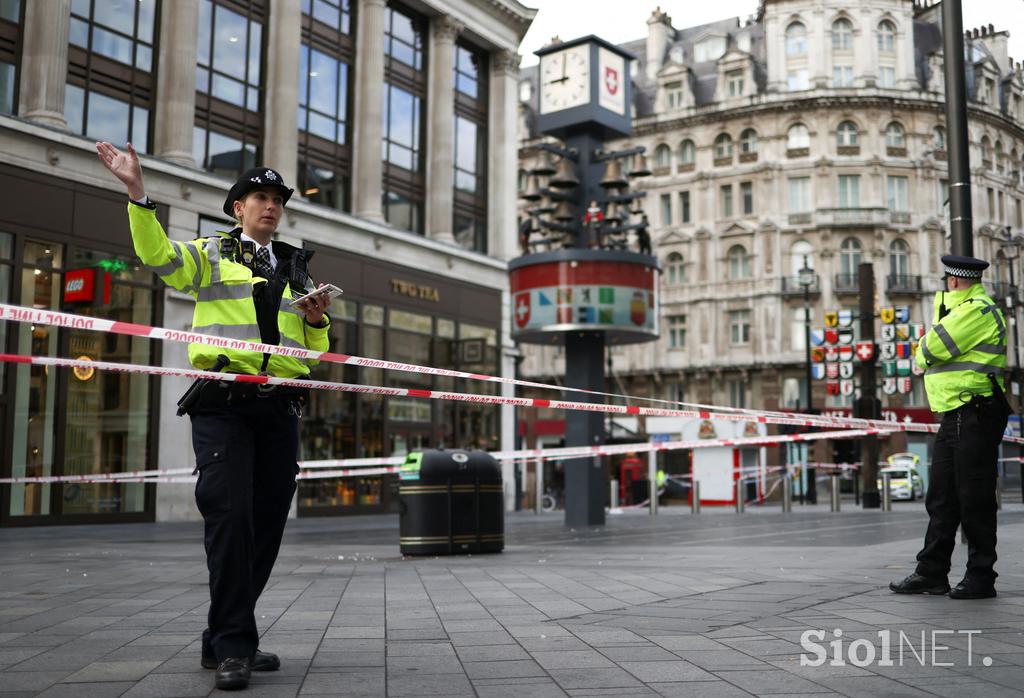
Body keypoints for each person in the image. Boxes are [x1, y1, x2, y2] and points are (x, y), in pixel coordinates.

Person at [96, 141, 333, 690]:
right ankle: (233, 646)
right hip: (223, 404)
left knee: (268, 526)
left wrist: (318, 321)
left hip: (279, 406)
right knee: (229, 520)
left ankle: (224, 636)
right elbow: (158, 257)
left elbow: (312, 351)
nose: (270, 206)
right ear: (237, 208)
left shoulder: (297, 267)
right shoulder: (209, 253)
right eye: (259, 197)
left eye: (277, 199)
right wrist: (137, 191)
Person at [890, 254, 1010, 600]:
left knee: (974, 499)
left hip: (974, 412)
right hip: (954, 414)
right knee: (941, 497)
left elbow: (929, 349)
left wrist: (923, 348)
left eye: (947, 280)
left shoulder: (976, 310)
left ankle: (981, 576)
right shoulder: (958, 310)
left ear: (953, 281)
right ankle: (931, 573)